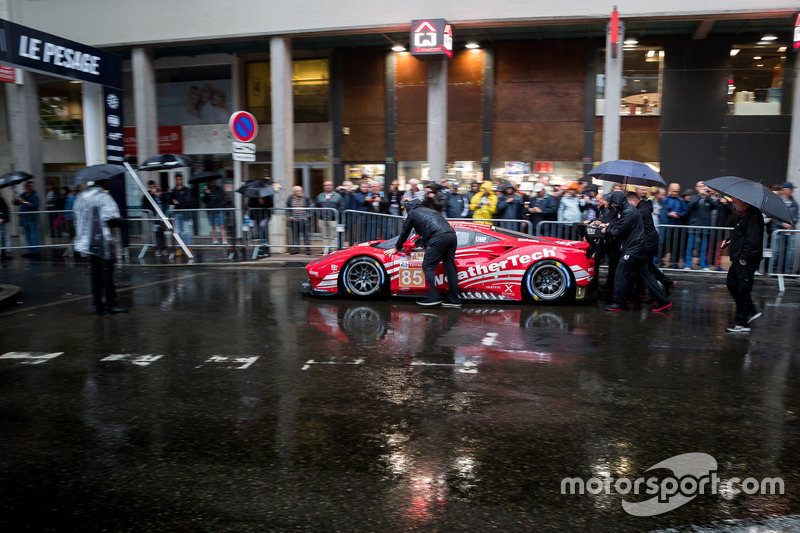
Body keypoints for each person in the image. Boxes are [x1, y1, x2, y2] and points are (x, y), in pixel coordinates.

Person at [600, 191, 671, 312]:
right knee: (647, 276)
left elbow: (620, 230)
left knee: (620, 272)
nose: (612, 206)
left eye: (614, 204)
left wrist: (607, 230)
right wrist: (613, 223)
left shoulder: (628, 212)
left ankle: (619, 303)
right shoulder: (627, 211)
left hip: (634, 249)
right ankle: (663, 301)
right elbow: (620, 225)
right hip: (638, 248)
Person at [384, 199, 460, 308]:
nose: (405, 213)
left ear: (407, 209)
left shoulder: (412, 213)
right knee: (450, 266)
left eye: (405, 210)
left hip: (438, 237)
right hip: (452, 236)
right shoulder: (431, 211)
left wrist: (396, 248)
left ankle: (434, 297)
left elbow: (405, 232)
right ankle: (454, 299)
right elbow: (427, 230)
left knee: (427, 266)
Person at [73, 178, 127, 314]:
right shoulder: (103, 197)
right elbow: (111, 220)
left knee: (95, 274)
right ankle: (110, 303)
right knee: (107, 274)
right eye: (107, 180)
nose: (108, 182)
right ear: (102, 181)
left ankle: (96, 304)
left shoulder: (81, 197)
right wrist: (119, 219)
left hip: (90, 242)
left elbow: (77, 218)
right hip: (104, 242)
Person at [721, 197, 764, 332]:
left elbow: (753, 240)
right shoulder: (745, 214)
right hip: (739, 258)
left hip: (745, 259)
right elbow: (739, 233)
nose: (733, 205)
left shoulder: (753, 215)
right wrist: (729, 240)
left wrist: (744, 258)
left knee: (742, 289)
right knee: (732, 284)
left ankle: (741, 322)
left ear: (744, 201)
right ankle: (749, 311)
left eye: (735, 202)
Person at [626, 191, 676, 298]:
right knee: (647, 267)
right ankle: (663, 285)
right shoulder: (642, 208)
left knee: (647, 269)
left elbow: (631, 221)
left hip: (648, 242)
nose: (627, 206)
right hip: (648, 241)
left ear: (634, 201)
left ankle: (658, 291)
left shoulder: (641, 211)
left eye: (628, 203)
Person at [765, 181, 799, 274]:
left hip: (789, 231)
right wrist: (782, 224)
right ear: (785, 190)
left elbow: (796, 216)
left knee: (790, 252)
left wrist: (791, 224)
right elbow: (774, 216)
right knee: (776, 251)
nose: (792, 191)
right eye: (790, 189)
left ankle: (787, 271)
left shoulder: (794, 203)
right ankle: (774, 270)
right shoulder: (778, 201)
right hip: (778, 230)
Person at [684, 181, 719, 271]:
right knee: (690, 246)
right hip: (694, 226)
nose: (703, 188)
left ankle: (703, 265)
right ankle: (687, 265)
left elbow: (715, 206)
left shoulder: (708, 199)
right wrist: (700, 196)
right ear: (696, 188)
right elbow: (691, 205)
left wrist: (708, 197)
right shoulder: (694, 198)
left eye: (704, 186)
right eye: (700, 186)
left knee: (703, 247)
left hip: (705, 226)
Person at [662, 183, 688, 268]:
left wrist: (679, 214)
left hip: (677, 226)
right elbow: (662, 212)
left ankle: (674, 262)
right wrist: (669, 214)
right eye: (673, 191)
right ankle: (660, 260)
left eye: (677, 191)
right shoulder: (664, 200)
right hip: (666, 227)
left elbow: (685, 211)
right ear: (669, 190)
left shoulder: (681, 201)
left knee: (675, 245)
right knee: (663, 244)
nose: (675, 193)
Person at [315, 180, 344, 252]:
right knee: (324, 235)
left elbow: (342, 207)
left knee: (333, 236)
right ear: (323, 187)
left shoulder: (337, 196)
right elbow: (315, 207)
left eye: (330, 185)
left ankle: (333, 250)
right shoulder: (320, 196)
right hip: (322, 219)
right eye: (326, 185)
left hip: (333, 219)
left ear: (332, 186)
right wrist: (319, 214)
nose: (328, 186)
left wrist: (335, 214)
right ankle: (326, 249)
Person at [14, 181, 41, 256]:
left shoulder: (35, 194)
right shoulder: (24, 194)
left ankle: (36, 250)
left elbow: (35, 205)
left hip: (32, 218)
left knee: (34, 234)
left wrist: (25, 202)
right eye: (26, 186)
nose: (27, 187)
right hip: (24, 218)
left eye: (28, 186)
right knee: (27, 235)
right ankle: (30, 250)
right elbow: (16, 203)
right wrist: (15, 196)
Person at [141, 181, 167, 256]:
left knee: (161, 232)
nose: (153, 189)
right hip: (153, 217)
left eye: (154, 187)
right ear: (149, 188)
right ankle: (157, 248)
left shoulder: (160, 194)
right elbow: (144, 206)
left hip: (161, 217)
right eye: (151, 187)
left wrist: (161, 194)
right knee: (155, 233)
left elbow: (165, 201)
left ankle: (163, 248)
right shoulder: (147, 195)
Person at [287, 185, 312, 254]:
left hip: (304, 219)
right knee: (295, 235)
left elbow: (310, 207)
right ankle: (296, 249)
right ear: (294, 192)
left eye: (301, 190)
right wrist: (289, 216)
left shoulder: (306, 197)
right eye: (298, 191)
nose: (300, 192)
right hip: (294, 220)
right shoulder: (290, 198)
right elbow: (287, 208)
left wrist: (307, 216)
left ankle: (307, 250)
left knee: (306, 235)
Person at [170, 173, 193, 248]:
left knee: (186, 230)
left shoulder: (186, 190)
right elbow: (171, 201)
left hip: (184, 212)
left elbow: (187, 201)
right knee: (179, 231)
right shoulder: (174, 190)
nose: (178, 181)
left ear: (182, 180)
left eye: (179, 179)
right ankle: (179, 247)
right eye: (177, 179)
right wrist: (170, 195)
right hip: (177, 212)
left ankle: (188, 247)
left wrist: (178, 202)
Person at [202, 180, 228, 245]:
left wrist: (220, 205)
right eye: (211, 181)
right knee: (213, 226)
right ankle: (215, 239)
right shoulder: (207, 190)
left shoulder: (219, 189)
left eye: (213, 181)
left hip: (219, 209)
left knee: (221, 225)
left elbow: (223, 199)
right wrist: (206, 194)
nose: (212, 182)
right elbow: (205, 201)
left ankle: (224, 239)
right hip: (211, 210)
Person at [0, 193, 10, 259]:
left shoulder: (2, 200)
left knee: (6, 237)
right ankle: (1, 252)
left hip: (5, 221)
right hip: (3, 220)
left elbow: (5, 210)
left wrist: (2, 218)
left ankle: (7, 252)